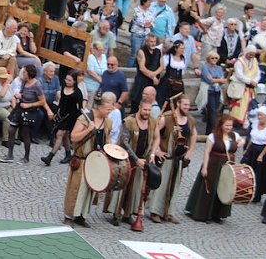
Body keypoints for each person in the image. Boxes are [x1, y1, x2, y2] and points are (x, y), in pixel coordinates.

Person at [63, 91, 117, 227]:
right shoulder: (84, 118)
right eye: (108, 109)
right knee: (76, 188)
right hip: (82, 159)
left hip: (96, 160)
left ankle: (82, 215)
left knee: (89, 190)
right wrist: (88, 130)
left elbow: (108, 140)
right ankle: (69, 215)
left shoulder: (108, 122)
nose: (109, 112)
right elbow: (73, 137)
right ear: (100, 107)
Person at [105, 99, 160, 225]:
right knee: (122, 186)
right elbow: (125, 142)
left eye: (149, 110)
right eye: (145, 109)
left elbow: (157, 138)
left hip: (142, 159)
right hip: (126, 158)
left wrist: (152, 153)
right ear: (139, 108)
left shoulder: (152, 121)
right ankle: (116, 214)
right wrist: (136, 159)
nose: (147, 112)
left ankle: (128, 214)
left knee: (135, 188)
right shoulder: (129, 122)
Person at [184, 115, 245, 223]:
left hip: (228, 166)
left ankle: (218, 214)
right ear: (221, 125)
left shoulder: (234, 135)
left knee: (224, 189)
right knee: (210, 189)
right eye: (226, 125)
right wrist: (205, 168)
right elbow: (207, 152)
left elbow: (242, 141)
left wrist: (239, 143)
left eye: (230, 125)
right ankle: (205, 214)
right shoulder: (213, 136)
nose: (229, 127)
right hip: (214, 165)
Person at [148, 95, 197, 224]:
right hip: (167, 158)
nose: (187, 107)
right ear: (178, 104)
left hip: (179, 159)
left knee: (175, 186)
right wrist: (157, 150)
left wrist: (190, 152)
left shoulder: (190, 120)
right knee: (162, 185)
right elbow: (154, 132)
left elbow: (193, 135)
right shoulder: (167, 118)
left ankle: (169, 212)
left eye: (188, 105)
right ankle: (155, 211)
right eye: (185, 104)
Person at [0, 64, 46, 164]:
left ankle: (26, 157)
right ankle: (10, 155)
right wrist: (19, 95)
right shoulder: (24, 82)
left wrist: (29, 105)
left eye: (24, 72)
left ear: (29, 73)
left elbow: (42, 101)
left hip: (29, 111)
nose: (23, 73)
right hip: (20, 108)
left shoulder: (37, 85)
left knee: (25, 134)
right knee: (11, 129)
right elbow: (23, 93)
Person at [42, 70, 84, 166]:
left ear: (74, 81)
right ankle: (68, 154)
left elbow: (80, 107)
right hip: (63, 115)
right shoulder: (63, 88)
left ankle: (50, 157)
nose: (67, 81)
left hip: (71, 117)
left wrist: (78, 120)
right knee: (65, 136)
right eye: (66, 79)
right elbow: (61, 103)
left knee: (60, 134)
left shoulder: (77, 93)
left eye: (69, 80)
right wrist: (58, 113)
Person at [241, 106, 266, 203]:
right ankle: (246, 191)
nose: (259, 117)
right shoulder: (255, 124)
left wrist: (261, 155)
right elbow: (252, 139)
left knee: (259, 174)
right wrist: (247, 149)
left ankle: (257, 195)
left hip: (262, 151)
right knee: (248, 172)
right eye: (258, 115)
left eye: (261, 115)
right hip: (252, 150)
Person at [230, 45, 260, 128]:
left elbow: (258, 73)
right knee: (240, 107)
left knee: (250, 106)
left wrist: (255, 81)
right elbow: (239, 75)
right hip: (241, 87)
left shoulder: (255, 61)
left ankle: (247, 124)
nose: (251, 56)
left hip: (251, 88)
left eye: (253, 54)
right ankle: (239, 123)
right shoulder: (239, 61)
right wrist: (249, 81)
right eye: (250, 54)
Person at [130, 34, 161, 112]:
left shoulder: (158, 51)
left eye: (154, 42)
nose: (153, 43)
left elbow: (162, 66)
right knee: (137, 102)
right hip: (142, 80)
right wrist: (153, 77)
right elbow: (142, 68)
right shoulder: (141, 51)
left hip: (153, 81)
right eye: (151, 41)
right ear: (146, 42)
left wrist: (155, 74)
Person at [201, 51, 227, 134]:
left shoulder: (219, 68)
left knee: (215, 111)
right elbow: (209, 80)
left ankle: (209, 132)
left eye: (216, 58)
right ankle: (215, 132)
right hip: (209, 91)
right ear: (208, 59)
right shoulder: (205, 67)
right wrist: (218, 80)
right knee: (212, 112)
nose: (214, 59)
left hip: (217, 90)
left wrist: (215, 80)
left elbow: (223, 80)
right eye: (212, 58)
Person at [128, 0, 154, 68]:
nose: (150, 4)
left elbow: (153, 22)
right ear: (143, 2)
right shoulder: (137, 10)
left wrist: (148, 24)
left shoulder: (150, 11)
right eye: (148, 2)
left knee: (142, 54)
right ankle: (128, 69)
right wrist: (145, 24)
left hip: (146, 36)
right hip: (137, 35)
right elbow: (139, 22)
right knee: (134, 54)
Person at [158, 40, 187, 107]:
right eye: (181, 48)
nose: (183, 50)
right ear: (176, 49)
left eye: (183, 48)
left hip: (178, 83)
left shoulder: (182, 58)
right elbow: (162, 69)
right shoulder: (168, 57)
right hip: (168, 83)